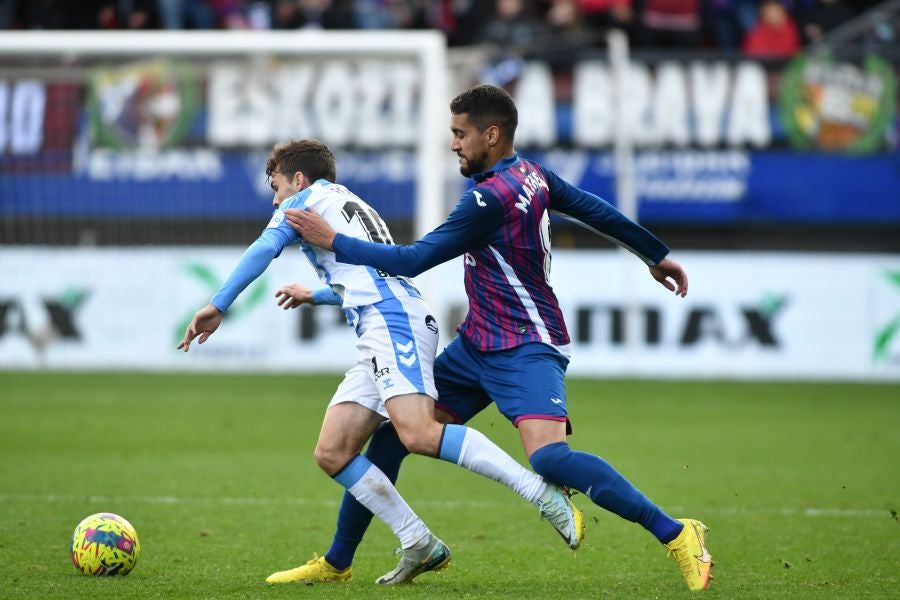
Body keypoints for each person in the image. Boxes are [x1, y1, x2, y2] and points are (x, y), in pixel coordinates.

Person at [284, 85, 714, 591]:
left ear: (492, 134)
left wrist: (333, 240)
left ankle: (678, 532)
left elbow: (414, 259)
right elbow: (594, 208)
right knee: (395, 437)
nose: (453, 145)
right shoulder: (532, 175)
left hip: (528, 344)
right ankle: (339, 561)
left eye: (460, 134)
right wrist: (654, 254)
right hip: (476, 346)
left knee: (550, 459)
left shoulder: (488, 198)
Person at [176, 138, 583, 586]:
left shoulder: (305, 201)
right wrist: (315, 293)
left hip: (392, 325)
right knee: (332, 451)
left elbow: (263, 248)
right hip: (387, 323)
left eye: (276, 186)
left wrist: (218, 304)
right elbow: (371, 277)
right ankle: (418, 542)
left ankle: (540, 492)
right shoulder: (348, 202)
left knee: (419, 433)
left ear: (297, 179)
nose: (274, 199)